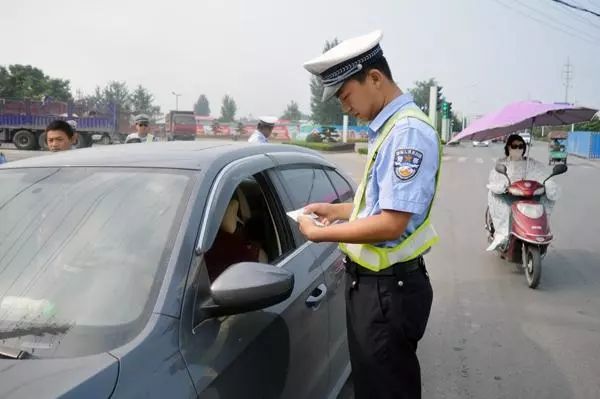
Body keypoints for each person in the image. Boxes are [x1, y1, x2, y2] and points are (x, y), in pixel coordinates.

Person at [299, 30, 441, 399]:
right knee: (375, 385)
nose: (346, 108)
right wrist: (336, 211)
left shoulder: (407, 131)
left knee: (386, 390)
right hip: (377, 288)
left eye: (346, 96)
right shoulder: (389, 127)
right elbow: (381, 205)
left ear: (374, 78)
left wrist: (319, 234)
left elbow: (392, 224)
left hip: (386, 291)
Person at [487, 134, 559, 251]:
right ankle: (502, 234)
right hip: (508, 197)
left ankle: (540, 232)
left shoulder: (531, 163)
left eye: (521, 146)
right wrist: (503, 186)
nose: (518, 149)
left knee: (546, 201)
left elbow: (542, 175)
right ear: (508, 148)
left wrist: (548, 184)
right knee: (495, 197)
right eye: (514, 146)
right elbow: (495, 179)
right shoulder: (502, 163)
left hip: (529, 197)